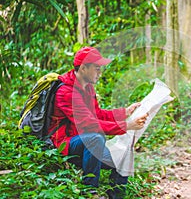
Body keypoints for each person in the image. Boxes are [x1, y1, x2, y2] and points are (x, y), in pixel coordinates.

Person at [48, 46, 148, 198]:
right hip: (65, 143)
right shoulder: (66, 92)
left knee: (124, 156)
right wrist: (127, 125)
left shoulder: (88, 88)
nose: (100, 73)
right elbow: (89, 124)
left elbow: (98, 114)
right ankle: (90, 192)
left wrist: (125, 112)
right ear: (83, 68)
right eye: (96, 68)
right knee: (96, 137)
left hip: (86, 142)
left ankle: (115, 196)